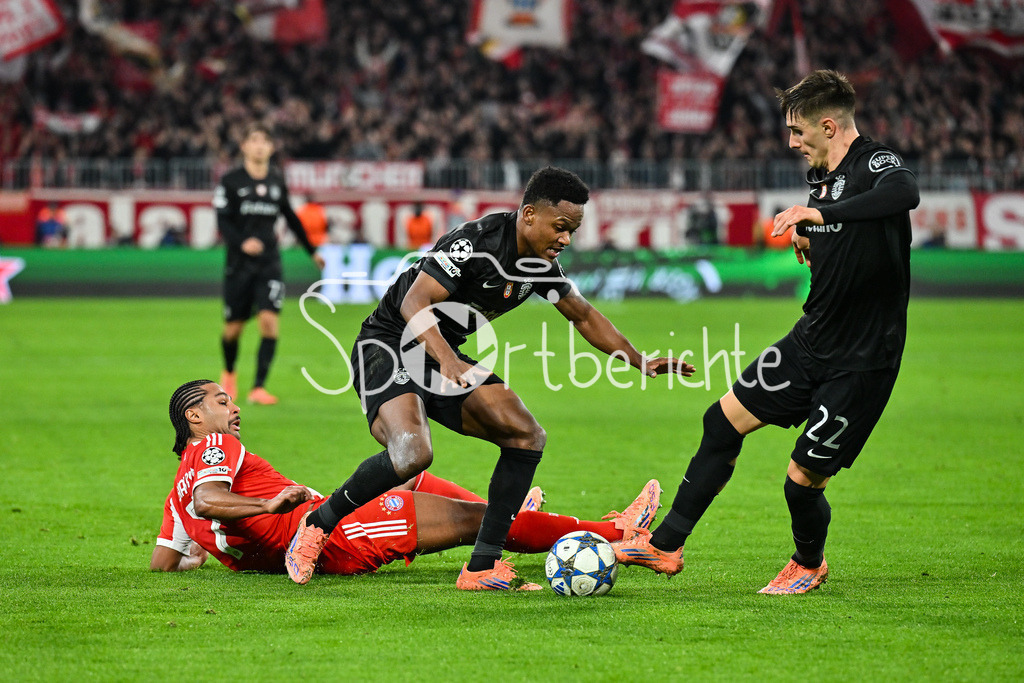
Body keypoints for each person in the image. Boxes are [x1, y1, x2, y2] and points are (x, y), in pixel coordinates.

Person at [286, 166, 694, 590]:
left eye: (572, 231)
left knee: (526, 435)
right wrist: (447, 360)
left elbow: (583, 314)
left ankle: (481, 566)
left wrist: (638, 359)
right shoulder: (476, 243)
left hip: (441, 353)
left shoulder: (539, 266)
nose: (565, 239)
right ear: (529, 214)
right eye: (560, 227)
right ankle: (316, 526)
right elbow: (414, 301)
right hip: (389, 343)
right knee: (412, 453)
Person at [613, 70, 920, 594]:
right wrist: (812, 236)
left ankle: (808, 563)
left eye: (799, 132)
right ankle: (664, 546)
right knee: (720, 421)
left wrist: (818, 215)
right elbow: (845, 238)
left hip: (861, 361)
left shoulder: (876, 162)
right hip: (811, 342)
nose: (793, 142)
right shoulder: (822, 178)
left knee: (801, 483)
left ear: (829, 125)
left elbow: (904, 193)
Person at [152, 379, 662, 585]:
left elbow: (164, 561)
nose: (234, 407)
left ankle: (521, 517)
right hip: (334, 538)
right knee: (477, 523)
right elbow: (212, 500)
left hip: (327, 525)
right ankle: (620, 537)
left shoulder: (175, 492)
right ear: (194, 418)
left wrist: (210, 552)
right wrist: (267, 510)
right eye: (221, 402)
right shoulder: (216, 446)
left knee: (418, 477)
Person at [214, 123, 325, 406]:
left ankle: (258, 388)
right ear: (245, 147)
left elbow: (290, 217)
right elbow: (223, 220)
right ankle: (229, 373)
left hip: (269, 263)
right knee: (233, 329)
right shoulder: (231, 181)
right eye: (254, 140)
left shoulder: (276, 180)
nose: (260, 145)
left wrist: (311, 251)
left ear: (271, 148)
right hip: (239, 264)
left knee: (269, 323)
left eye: (265, 141)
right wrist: (241, 243)